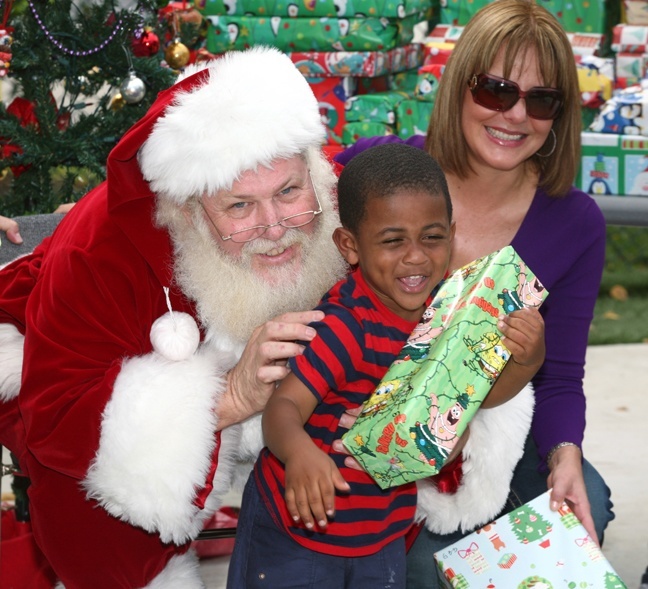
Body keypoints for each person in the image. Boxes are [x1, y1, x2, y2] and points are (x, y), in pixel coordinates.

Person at [0, 46, 350, 588]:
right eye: (239, 207)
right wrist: (227, 398)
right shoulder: (98, 258)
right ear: (186, 212)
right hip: (77, 382)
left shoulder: (336, 197)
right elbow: (59, 425)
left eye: (288, 191)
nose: (276, 226)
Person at [333, 1, 614, 586]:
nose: (515, 115)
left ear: (559, 115)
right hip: (377, 431)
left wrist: (565, 454)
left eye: (541, 100)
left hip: (497, 435)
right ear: (459, 87)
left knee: (584, 498)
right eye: (496, 90)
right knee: (417, 568)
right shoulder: (383, 172)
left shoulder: (574, 221)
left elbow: (559, 374)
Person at [227, 143, 546, 588]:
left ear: (451, 235)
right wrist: (300, 454)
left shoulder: (448, 313)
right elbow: (283, 410)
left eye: (432, 237)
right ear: (351, 246)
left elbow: (480, 393)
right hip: (296, 532)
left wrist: (527, 360)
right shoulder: (346, 325)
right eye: (393, 240)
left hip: (381, 534)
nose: (415, 256)